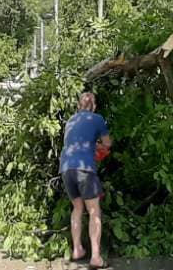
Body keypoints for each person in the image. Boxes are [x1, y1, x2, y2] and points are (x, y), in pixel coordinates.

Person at [60, 91, 111, 268]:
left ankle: (77, 249)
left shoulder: (70, 121)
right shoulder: (97, 118)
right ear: (94, 106)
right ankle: (96, 257)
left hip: (66, 168)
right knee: (93, 210)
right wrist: (98, 148)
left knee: (77, 208)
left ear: (79, 106)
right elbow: (108, 143)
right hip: (85, 168)